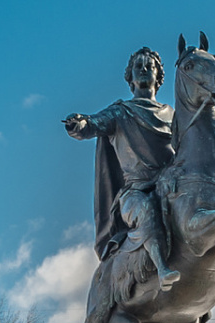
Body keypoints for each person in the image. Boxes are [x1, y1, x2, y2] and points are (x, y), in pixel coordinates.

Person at [65, 47, 181, 291]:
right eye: (138, 66)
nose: (144, 70)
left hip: (170, 188)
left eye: (149, 66)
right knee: (146, 211)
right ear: (130, 77)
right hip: (135, 193)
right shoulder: (120, 112)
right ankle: (162, 269)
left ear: (158, 76)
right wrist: (79, 124)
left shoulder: (173, 115)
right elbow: (91, 124)